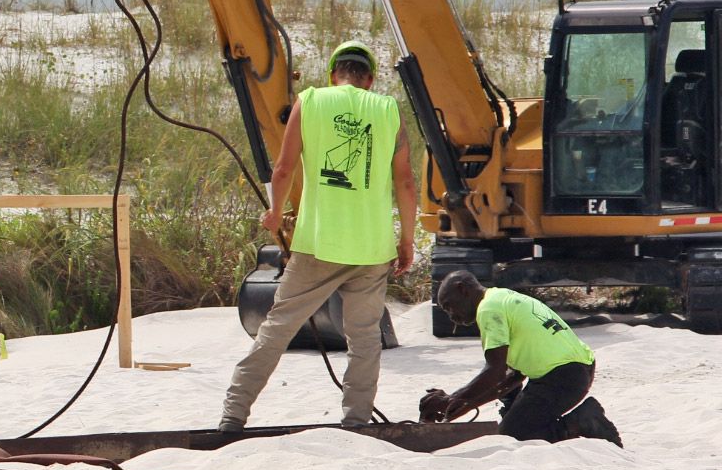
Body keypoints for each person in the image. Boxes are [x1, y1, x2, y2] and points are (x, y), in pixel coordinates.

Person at [219, 40, 417, 430]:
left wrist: (275, 213)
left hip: (318, 245)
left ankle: (232, 416)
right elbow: (406, 183)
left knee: (277, 330)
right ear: (371, 79)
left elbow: (283, 168)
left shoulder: (309, 101)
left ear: (332, 74)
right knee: (363, 339)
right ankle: (356, 421)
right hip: (371, 249)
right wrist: (406, 241)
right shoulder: (387, 109)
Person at [418, 272, 622, 445]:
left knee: (514, 434)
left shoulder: (488, 310)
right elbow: (510, 379)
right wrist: (457, 408)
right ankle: (524, 417)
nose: (451, 316)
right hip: (578, 371)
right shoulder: (502, 297)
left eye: (449, 306)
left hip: (561, 377)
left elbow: (494, 371)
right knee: (512, 423)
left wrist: (450, 399)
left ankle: (582, 421)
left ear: (463, 290)